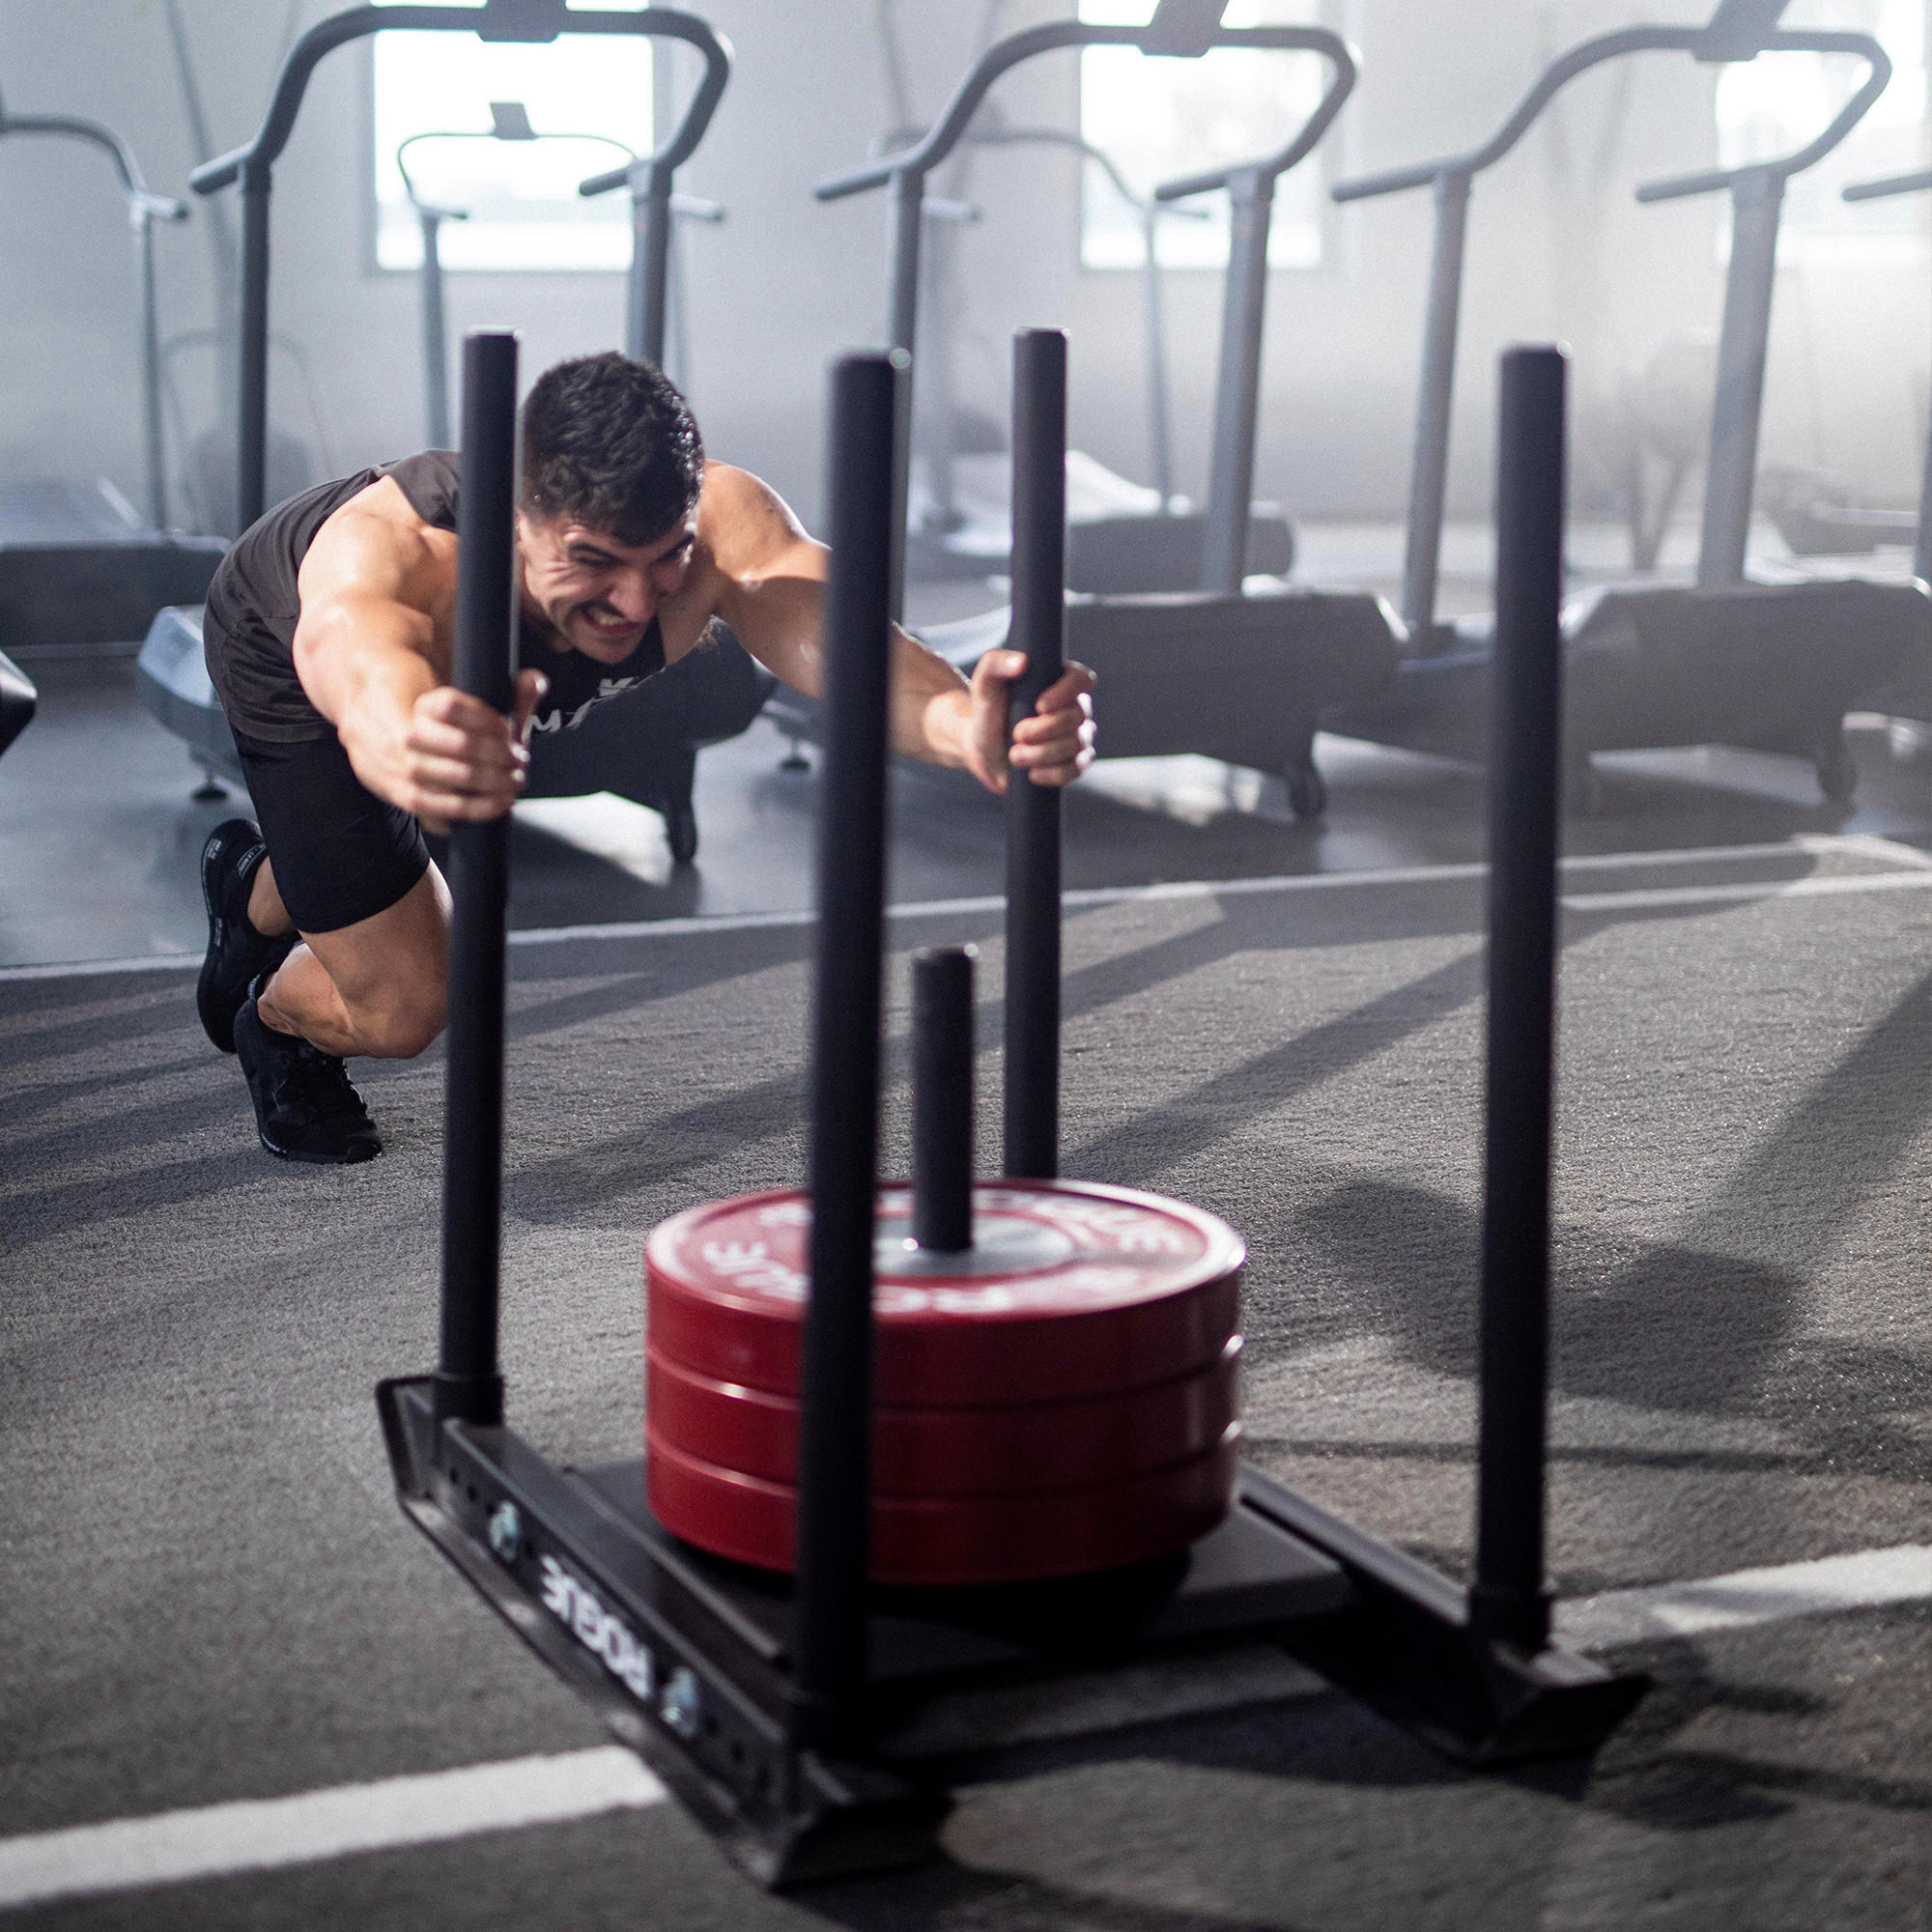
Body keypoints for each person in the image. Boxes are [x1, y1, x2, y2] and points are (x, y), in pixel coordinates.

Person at [196, 352, 1095, 1164]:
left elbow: (839, 636)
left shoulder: (723, 519)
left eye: (665, 560)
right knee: (406, 1007)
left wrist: (959, 724)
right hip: (288, 647)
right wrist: (407, 749)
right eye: (595, 562)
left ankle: (257, 884)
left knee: (364, 859)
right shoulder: (400, 557)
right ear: (522, 520)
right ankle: (278, 1026)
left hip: (477, 692)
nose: (633, 602)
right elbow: (356, 661)